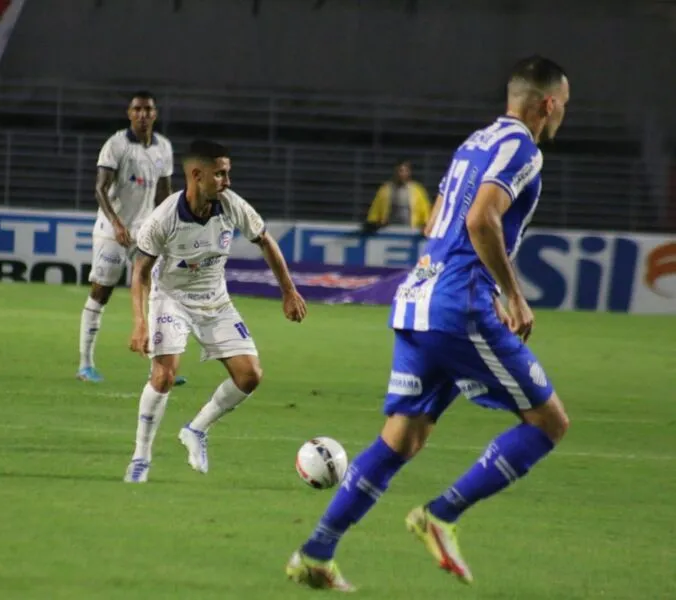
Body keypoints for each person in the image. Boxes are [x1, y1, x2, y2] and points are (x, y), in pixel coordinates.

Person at [286, 55, 571, 591]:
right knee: (549, 422)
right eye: (563, 108)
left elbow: (440, 215)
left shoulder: (474, 143)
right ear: (547, 104)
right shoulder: (522, 149)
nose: (562, 118)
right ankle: (441, 515)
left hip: (417, 297)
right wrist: (512, 293)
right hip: (459, 305)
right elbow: (479, 217)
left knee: (402, 438)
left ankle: (315, 552)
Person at [124, 140, 307, 483]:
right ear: (197, 175)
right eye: (220, 174)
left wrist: (289, 290)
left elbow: (265, 240)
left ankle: (196, 429)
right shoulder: (164, 218)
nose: (227, 181)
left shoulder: (231, 206)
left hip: (215, 300)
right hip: (172, 299)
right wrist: (139, 323)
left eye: (228, 173)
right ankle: (141, 457)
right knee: (163, 375)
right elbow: (141, 272)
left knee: (250, 375)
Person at [77, 91, 186, 385]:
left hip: (145, 232)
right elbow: (100, 188)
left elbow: (165, 192)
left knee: (156, 294)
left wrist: (169, 226)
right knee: (101, 293)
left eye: (147, 109)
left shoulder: (163, 147)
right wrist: (116, 223)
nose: (142, 114)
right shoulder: (116, 144)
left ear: (155, 114)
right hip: (112, 233)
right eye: (137, 109)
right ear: (129, 113)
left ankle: (160, 366)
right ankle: (85, 364)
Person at [362, 160, 432, 235]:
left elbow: (426, 212)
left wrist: (427, 226)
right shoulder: (385, 190)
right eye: (400, 171)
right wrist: (372, 223)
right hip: (388, 232)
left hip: (411, 232)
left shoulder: (418, 190)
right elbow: (375, 211)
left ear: (409, 172)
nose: (402, 174)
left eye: (405, 171)